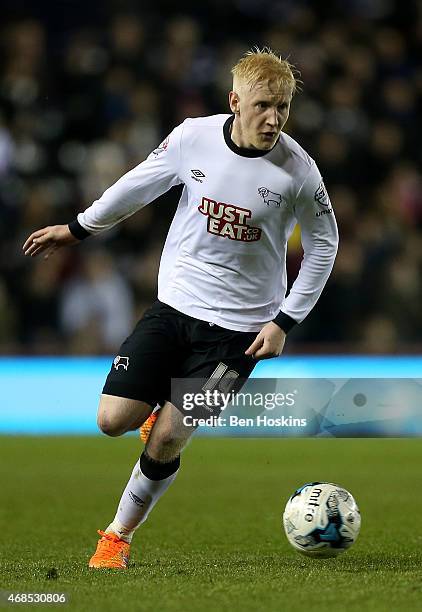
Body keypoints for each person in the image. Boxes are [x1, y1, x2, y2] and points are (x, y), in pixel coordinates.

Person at [23, 48, 338, 569]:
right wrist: (80, 227)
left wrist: (285, 321)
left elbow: (326, 245)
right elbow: (140, 182)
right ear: (235, 101)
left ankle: (117, 537)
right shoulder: (193, 137)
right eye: (263, 106)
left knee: (169, 435)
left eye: (282, 108)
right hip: (175, 307)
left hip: (240, 334)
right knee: (111, 420)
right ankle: (153, 420)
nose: (274, 119)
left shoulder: (299, 172)